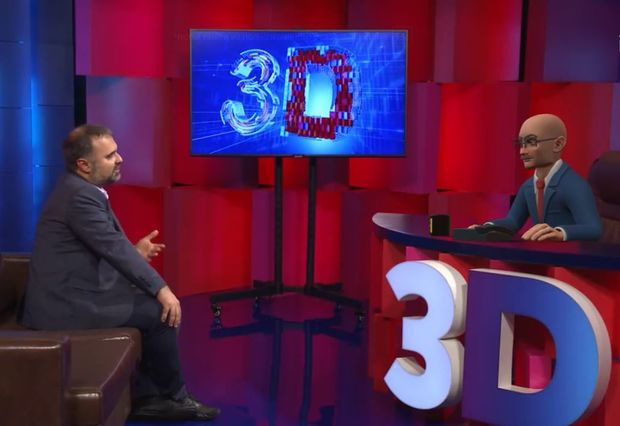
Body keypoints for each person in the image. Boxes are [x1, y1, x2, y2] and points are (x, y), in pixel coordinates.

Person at [20, 124, 220, 421]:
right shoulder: (79, 197)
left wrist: (136, 254)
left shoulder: (81, 189)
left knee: (145, 300)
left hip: (72, 291)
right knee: (160, 313)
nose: (120, 159)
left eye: (117, 152)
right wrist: (162, 288)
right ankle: (172, 398)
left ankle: (150, 394)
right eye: (110, 155)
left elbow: (105, 246)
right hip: (64, 307)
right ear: (84, 165)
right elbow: (114, 248)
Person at [472, 113, 602, 241]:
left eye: (531, 142)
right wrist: (486, 228)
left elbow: (593, 228)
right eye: (521, 144)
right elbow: (513, 221)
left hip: (568, 253)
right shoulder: (528, 187)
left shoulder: (575, 185)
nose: (522, 151)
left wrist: (560, 233)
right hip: (539, 251)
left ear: (557, 144)